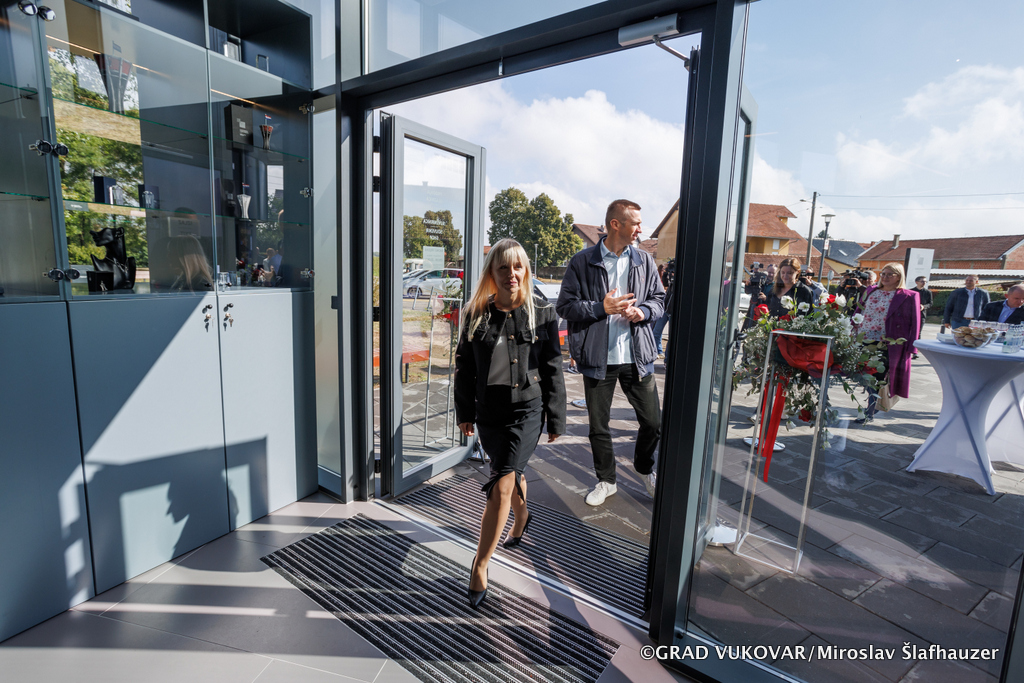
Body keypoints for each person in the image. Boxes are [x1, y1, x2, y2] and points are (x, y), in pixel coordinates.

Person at [454, 238, 566, 609]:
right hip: (490, 413)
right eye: (503, 267)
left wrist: (556, 416)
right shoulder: (475, 313)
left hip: (527, 411)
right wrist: (465, 412)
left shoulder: (542, 311)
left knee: (501, 484)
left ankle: (480, 565)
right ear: (492, 273)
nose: (512, 274)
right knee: (511, 474)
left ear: (526, 271)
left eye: (518, 267)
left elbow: (552, 367)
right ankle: (522, 517)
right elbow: (465, 370)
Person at [556, 199, 665, 506]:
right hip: (598, 357)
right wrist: (599, 308)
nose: (641, 229)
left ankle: (645, 469)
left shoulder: (644, 261)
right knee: (598, 427)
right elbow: (564, 307)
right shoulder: (582, 261)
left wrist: (642, 313)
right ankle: (607, 480)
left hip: (637, 356)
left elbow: (659, 300)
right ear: (616, 224)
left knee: (653, 423)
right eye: (635, 224)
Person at [853, 263, 920, 424]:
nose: (885, 277)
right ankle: (873, 404)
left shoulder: (909, 296)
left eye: (890, 274)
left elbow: (915, 323)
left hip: (888, 343)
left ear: (899, 277)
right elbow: (858, 311)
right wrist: (851, 329)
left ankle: (869, 410)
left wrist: (912, 347)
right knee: (864, 375)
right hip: (865, 339)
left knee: (877, 376)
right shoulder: (870, 291)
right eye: (883, 273)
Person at [912, 276, 933, 358]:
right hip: (911, 314)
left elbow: (930, 303)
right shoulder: (911, 291)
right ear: (916, 282)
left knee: (918, 332)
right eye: (922, 281)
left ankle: (915, 351)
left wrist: (924, 306)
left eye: (925, 281)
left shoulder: (928, 292)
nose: (924, 283)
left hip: (921, 315)